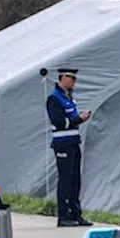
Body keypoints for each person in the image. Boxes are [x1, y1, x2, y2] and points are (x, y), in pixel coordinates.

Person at [46, 68, 92, 227]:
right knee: (65, 180)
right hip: (62, 143)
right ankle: (63, 215)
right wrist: (78, 119)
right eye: (71, 78)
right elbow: (58, 122)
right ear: (63, 78)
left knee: (75, 179)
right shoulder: (54, 98)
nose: (74, 82)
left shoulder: (69, 98)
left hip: (73, 142)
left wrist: (77, 119)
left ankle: (75, 212)